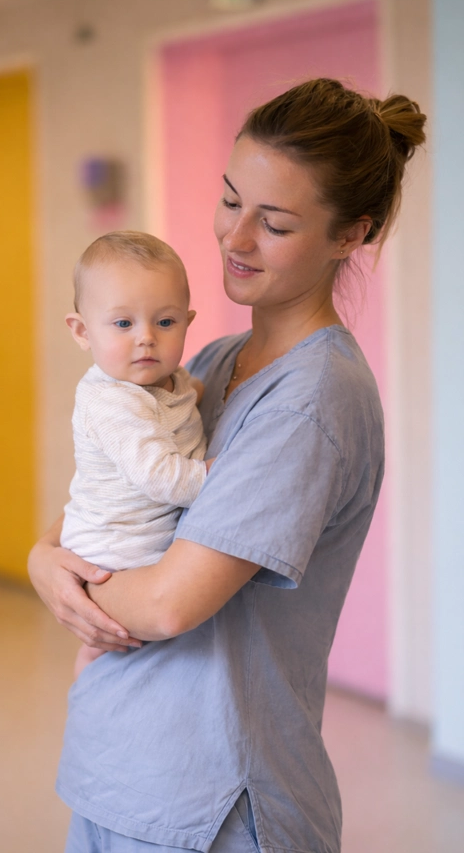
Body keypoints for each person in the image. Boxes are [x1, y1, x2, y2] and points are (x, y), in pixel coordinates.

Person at [28, 78, 426, 853]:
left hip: (210, 798)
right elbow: (91, 507)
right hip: (123, 766)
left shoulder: (311, 401)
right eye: (230, 199)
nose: (234, 239)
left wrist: (59, 573)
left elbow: (172, 605)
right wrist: (45, 562)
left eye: (273, 223)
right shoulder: (209, 358)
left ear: (351, 235)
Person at [61, 231, 210, 676]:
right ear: (83, 331)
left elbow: (182, 401)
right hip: (116, 550)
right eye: (123, 324)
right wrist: (215, 474)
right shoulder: (111, 402)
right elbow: (162, 478)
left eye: (165, 323)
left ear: (187, 321)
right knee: (120, 643)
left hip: (139, 532)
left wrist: (197, 396)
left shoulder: (168, 379)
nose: (146, 338)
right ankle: (90, 670)